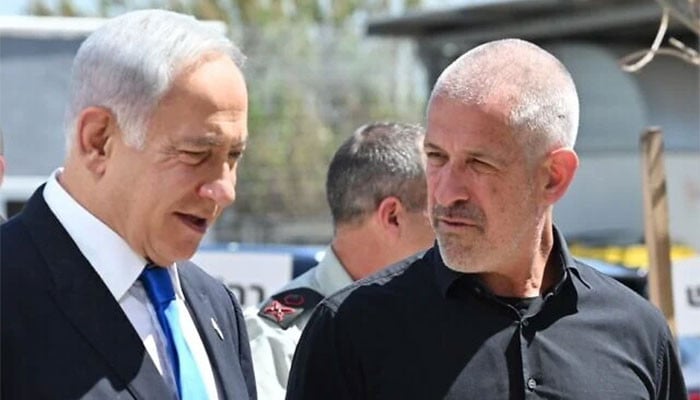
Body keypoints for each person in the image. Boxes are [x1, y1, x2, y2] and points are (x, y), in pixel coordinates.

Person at [286, 39, 687, 399]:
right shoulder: (351, 331)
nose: (446, 192)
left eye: (478, 163)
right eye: (436, 157)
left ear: (553, 177)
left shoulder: (638, 334)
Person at [1, 10, 256, 400]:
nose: (224, 190)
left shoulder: (216, 307)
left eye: (234, 157)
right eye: (195, 154)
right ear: (98, 141)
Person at [245, 122, 435, 399]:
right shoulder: (276, 339)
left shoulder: (443, 317)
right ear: (392, 217)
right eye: (439, 210)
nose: (451, 226)